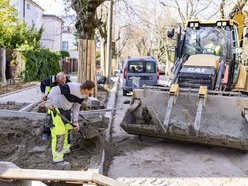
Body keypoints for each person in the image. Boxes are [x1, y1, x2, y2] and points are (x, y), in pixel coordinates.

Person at [45, 80, 95, 165]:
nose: (92, 92)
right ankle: (57, 160)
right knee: (59, 134)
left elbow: (76, 107)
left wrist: (75, 121)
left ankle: (65, 151)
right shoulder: (71, 88)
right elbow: (55, 89)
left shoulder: (84, 94)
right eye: (91, 90)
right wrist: (49, 101)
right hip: (56, 109)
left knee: (67, 130)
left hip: (66, 110)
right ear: (86, 89)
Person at [40, 72, 71, 141]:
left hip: (62, 99)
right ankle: (46, 133)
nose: (63, 83)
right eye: (61, 82)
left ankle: (66, 133)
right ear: (57, 80)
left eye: (64, 81)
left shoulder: (68, 82)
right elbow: (42, 83)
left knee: (65, 115)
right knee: (49, 115)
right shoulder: (51, 79)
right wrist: (42, 93)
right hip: (51, 98)